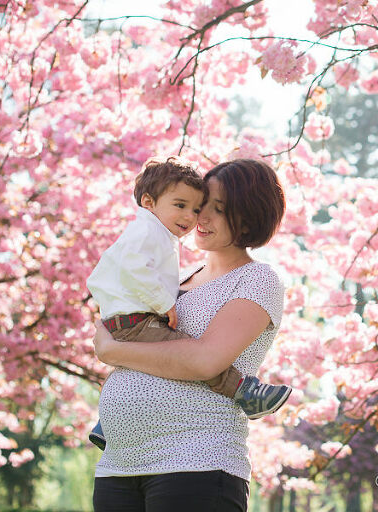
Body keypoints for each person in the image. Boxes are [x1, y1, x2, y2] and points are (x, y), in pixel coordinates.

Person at [91, 159, 288, 511]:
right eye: (199, 205)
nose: (202, 217)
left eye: (219, 209)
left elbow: (205, 361)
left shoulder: (257, 279)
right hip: (118, 466)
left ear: (248, 216)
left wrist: (111, 351)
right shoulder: (176, 277)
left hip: (196, 461)